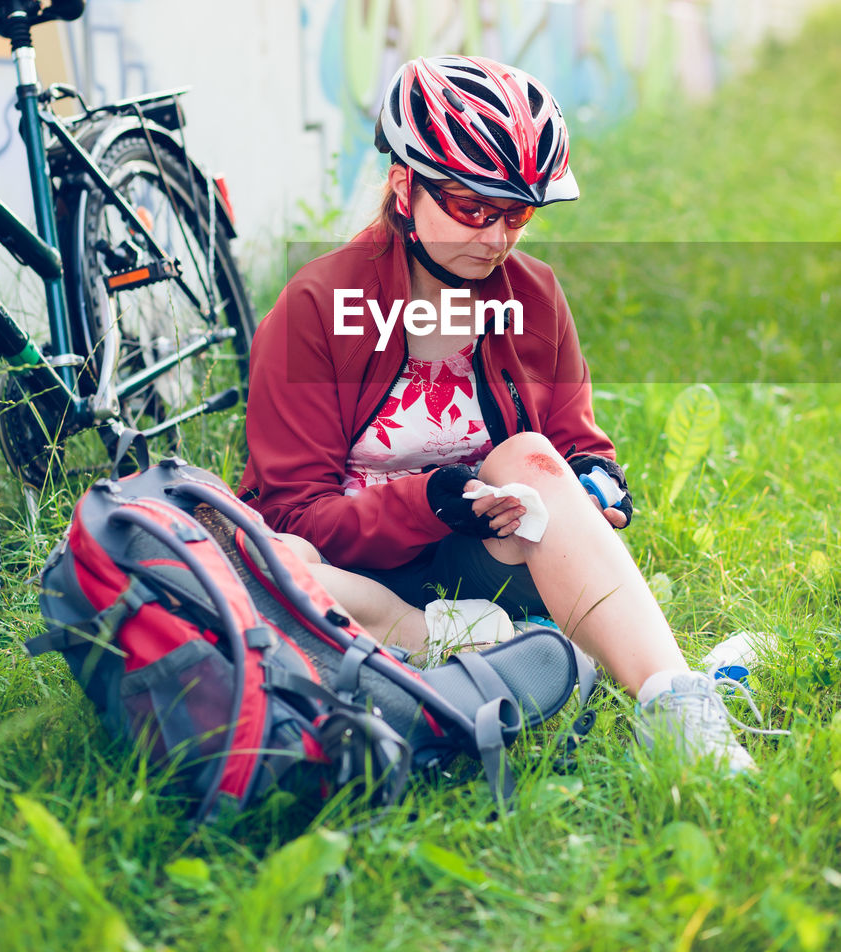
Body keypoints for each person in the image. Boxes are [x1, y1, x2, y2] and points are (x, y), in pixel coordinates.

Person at [240, 55, 759, 772]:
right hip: (356, 576)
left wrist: (596, 484)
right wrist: (433, 501)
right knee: (274, 565)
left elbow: (575, 442)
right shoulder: (314, 308)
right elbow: (294, 512)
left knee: (527, 456)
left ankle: (674, 701)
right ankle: (507, 647)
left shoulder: (534, 295)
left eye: (514, 214)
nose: (494, 238)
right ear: (403, 187)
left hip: (483, 559)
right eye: (470, 208)